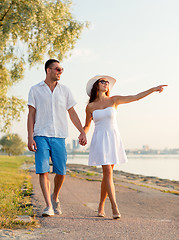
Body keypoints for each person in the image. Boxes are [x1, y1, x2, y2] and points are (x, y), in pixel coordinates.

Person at [83, 75, 167, 219]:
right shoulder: (90, 106)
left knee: (107, 175)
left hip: (113, 138)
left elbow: (135, 97)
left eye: (107, 83)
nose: (106, 84)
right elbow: (87, 126)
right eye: (103, 82)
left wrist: (153, 89)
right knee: (108, 173)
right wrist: (82, 134)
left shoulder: (114, 100)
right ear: (96, 85)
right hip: (100, 140)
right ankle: (114, 207)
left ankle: (101, 206)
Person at [27, 59, 87, 217]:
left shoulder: (65, 90)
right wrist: (30, 137)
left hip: (59, 135)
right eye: (58, 69)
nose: (61, 72)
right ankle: (48, 206)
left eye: (62, 69)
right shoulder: (35, 90)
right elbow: (31, 115)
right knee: (43, 171)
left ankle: (55, 197)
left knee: (61, 172)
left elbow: (72, 113)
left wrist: (82, 131)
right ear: (48, 70)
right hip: (40, 134)